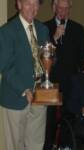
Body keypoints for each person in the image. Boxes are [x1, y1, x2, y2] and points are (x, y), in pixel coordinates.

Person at [0, 0, 50, 150]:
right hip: (16, 97)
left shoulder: (42, 29)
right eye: (28, 3)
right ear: (19, 4)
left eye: (36, 4)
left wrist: (51, 57)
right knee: (15, 145)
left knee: (36, 143)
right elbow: (5, 67)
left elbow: (47, 59)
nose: (33, 8)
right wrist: (24, 89)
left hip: (40, 95)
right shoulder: (6, 31)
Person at [43, 0, 84, 149]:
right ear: (54, 8)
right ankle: (48, 146)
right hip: (50, 82)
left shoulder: (78, 28)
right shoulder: (44, 27)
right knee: (49, 119)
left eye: (66, 8)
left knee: (69, 117)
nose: (62, 11)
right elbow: (41, 55)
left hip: (71, 82)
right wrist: (54, 38)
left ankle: (65, 146)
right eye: (59, 7)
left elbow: (83, 58)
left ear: (70, 9)